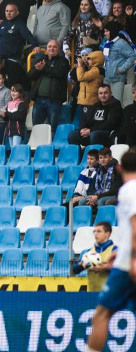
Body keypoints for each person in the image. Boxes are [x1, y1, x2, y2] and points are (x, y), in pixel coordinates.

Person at [83, 150, 136, 352]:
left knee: (101, 315)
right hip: (126, 258)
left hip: (127, 266)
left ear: (120, 168)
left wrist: (131, 259)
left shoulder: (129, 189)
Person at [72, 221, 117, 292]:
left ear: (107, 234)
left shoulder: (115, 250)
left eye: (99, 231)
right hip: (92, 294)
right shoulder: (89, 252)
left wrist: (105, 267)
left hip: (110, 295)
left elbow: (123, 269)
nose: (95, 234)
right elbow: (74, 270)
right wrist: (82, 264)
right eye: (94, 231)